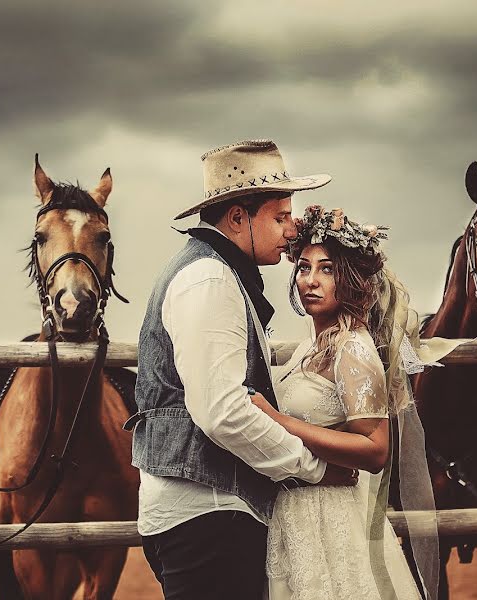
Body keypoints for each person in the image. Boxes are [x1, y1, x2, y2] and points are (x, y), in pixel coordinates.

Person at [124, 139, 357, 600]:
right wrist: (312, 468)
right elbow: (224, 412)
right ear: (237, 217)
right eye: (280, 216)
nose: (291, 229)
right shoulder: (209, 280)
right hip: (208, 517)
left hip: (205, 513)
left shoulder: (213, 273)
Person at [250, 205, 465, 599]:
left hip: (332, 520)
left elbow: (375, 449)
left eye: (326, 269)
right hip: (297, 517)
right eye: (303, 267)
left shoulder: (352, 348)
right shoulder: (312, 344)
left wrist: (277, 421)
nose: (310, 281)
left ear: (349, 279)